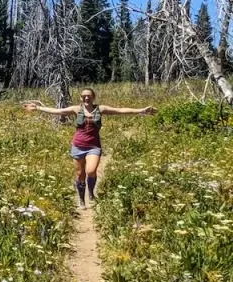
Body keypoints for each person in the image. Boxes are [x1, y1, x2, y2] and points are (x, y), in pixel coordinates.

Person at [22, 89, 157, 207]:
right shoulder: (76, 109)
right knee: (80, 174)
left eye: (89, 96)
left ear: (93, 97)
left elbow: (120, 110)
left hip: (94, 146)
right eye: (84, 96)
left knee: (91, 170)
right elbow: (57, 111)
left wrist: (141, 110)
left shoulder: (101, 109)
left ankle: (91, 192)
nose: (86, 98)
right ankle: (81, 199)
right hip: (78, 146)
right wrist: (38, 108)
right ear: (81, 98)